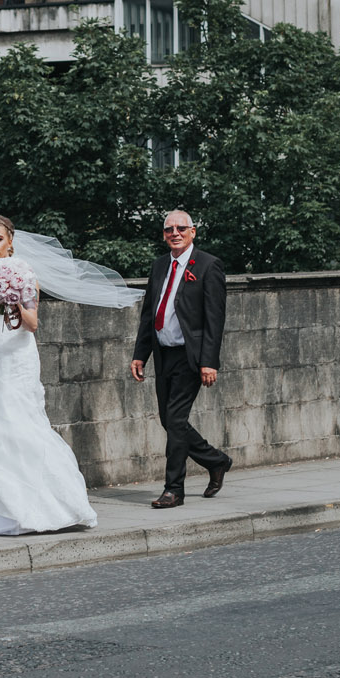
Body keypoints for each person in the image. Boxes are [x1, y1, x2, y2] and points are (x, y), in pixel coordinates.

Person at [0, 215, 141, 536]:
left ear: (10, 240)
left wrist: (13, 298)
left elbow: (33, 323)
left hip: (15, 359)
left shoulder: (23, 273)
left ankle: (47, 507)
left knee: (18, 426)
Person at [130, 210, 230, 509]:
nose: (175, 233)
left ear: (193, 232)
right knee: (169, 420)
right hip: (163, 353)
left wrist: (209, 362)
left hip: (191, 355)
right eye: (169, 229)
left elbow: (215, 319)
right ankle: (216, 461)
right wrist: (140, 355)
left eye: (181, 228)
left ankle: (174, 490)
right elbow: (150, 312)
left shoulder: (208, 265)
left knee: (175, 420)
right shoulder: (160, 265)